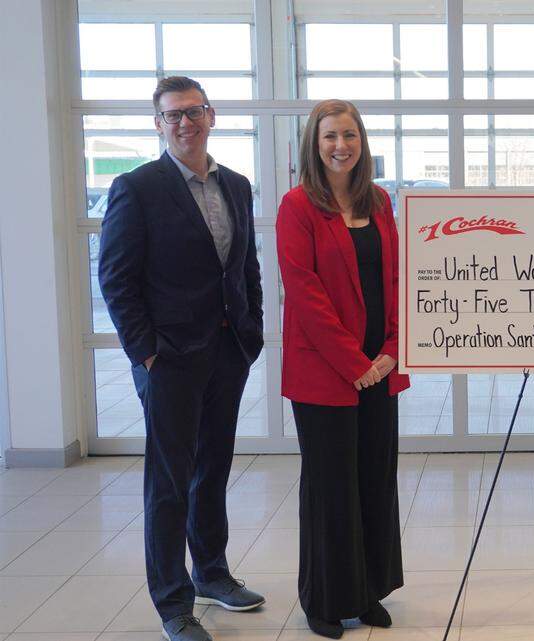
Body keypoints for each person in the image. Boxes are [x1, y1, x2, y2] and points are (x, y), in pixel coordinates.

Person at [98, 76, 265, 641]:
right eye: (173, 116)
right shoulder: (137, 187)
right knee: (168, 482)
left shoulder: (237, 186)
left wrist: (251, 331)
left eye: (194, 112)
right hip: (168, 358)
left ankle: (212, 573)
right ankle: (174, 601)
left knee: (212, 468)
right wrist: (145, 353)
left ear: (211, 116)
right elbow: (116, 279)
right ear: (159, 125)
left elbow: (244, 267)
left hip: (226, 350)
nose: (185, 123)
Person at [277, 99, 410, 639]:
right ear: (314, 143)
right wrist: (354, 363)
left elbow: (398, 279)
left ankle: (368, 591)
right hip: (326, 373)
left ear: (362, 141)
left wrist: (393, 348)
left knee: (374, 480)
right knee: (331, 487)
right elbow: (305, 294)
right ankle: (326, 599)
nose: (340, 146)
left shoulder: (378, 201)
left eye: (349, 135)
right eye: (330, 136)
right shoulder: (297, 206)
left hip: (380, 367)